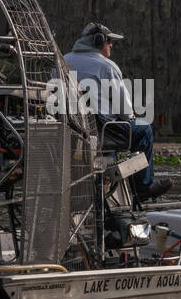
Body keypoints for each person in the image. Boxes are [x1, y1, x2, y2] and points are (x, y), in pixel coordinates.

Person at [63, 22, 171, 200]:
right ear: (98, 41)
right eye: (108, 41)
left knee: (109, 134)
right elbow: (126, 112)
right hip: (101, 132)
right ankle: (143, 188)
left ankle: (104, 186)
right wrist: (130, 117)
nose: (111, 45)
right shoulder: (107, 66)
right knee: (143, 130)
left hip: (72, 132)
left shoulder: (63, 60)